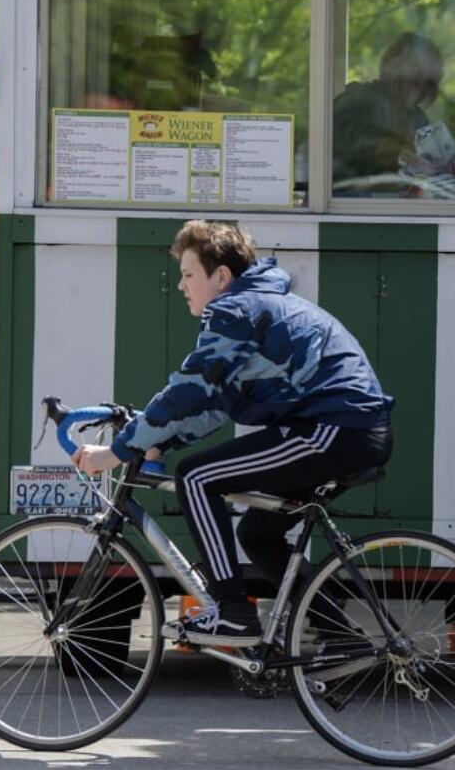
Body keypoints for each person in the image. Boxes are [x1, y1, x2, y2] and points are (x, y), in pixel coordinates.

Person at [73, 220, 394, 645]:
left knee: (196, 477)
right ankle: (340, 636)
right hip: (347, 431)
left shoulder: (235, 310)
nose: (182, 285)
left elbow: (187, 391)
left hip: (334, 431)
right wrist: (158, 441)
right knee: (257, 534)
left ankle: (232, 613)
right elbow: (215, 405)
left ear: (221, 276)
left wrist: (115, 451)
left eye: (188, 275)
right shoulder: (256, 307)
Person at [331, 31, 444, 190]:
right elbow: (366, 147)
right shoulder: (357, 100)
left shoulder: (418, 118)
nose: (421, 86)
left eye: (430, 82)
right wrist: (412, 154)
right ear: (390, 66)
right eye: (415, 74)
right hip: (348, 206)